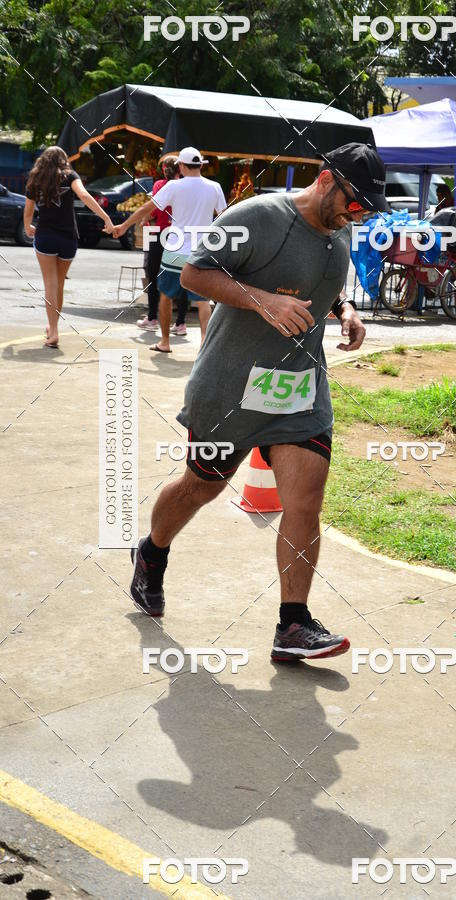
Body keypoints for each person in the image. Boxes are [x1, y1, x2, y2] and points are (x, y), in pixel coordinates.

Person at [130, 142, 391, 662]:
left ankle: (292, 625)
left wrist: (347, 311)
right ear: (325, 178)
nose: (354, 215)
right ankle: (151, 553)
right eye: (354, 202)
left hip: (297, 391)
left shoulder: (337, 232)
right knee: (199, 488)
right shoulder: (256, 216)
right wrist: (263, 300)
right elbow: (193, 274)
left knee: (306, 500)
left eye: (364, 209)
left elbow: (327, 285)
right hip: (229, 388)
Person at [114, 147, 226, 352]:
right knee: (202, 301)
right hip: (202, 252)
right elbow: (224, 217)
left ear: (181, 166)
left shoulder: (174, 186)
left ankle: (165, 342)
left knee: (165, 294)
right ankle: (204, 345)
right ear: (201, 165)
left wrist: (123, 226)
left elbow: (146, 209)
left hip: (175, 250)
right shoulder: (215, 187)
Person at [24, 146, 113, 348]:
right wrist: (105, 218)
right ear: (64, 160)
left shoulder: (35, 178)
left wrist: (28, 225)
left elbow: (28, 209)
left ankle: (53, 331)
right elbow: (84, 195)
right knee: (60, 285)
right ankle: (53, 327)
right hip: (68, 238)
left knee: (50, 284)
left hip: (45, 236)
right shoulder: (70, 175)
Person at [137, 156, 179, 332]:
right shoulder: (184, 187)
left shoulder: (159, 185)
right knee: (178, 276)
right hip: (179, 236)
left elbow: (155, 208)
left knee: (153, 274)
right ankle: (180, 322)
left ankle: (153, 317)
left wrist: (145, 218)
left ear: (163, 170)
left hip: (159, 233)